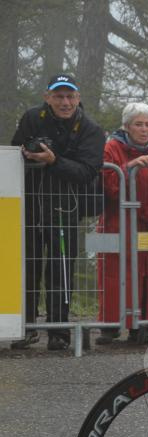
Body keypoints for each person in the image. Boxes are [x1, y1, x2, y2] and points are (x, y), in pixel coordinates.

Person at [10, 74, 104, 350]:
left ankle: (59, 331)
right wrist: (27, 155)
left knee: (60, 269)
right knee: (28, 265)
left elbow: (87, 171)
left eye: (69, 96)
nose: (64, 102)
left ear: (78, 98)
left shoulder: (89, 128)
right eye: (59, 96)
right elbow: (17, 149)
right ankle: (24, 328)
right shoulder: (32, 117)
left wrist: (54, 161)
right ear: (47, 97)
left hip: (66, 207)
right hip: (30, 205)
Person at [96, 103, 148, 345]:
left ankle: (146, 325)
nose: (144, 129)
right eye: (138, 124)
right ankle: (111, 324)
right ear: (126, 126)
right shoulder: (112, 147)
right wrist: (130, 168)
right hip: (118, 221)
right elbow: (109, 184)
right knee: (114, 272)